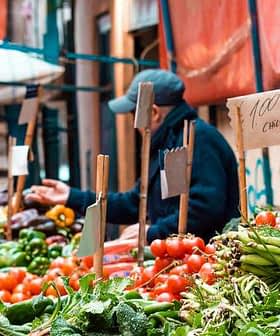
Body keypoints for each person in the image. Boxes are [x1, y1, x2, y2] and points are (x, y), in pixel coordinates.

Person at [26, 69, 240, 244]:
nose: (133, 123)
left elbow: (204, 209)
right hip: (177, 259)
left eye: (132, 115)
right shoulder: (165, 142)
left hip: (208, 262)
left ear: (154, 113)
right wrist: (71, 197)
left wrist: (152, 232)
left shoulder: (198, 139)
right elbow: (135, 203)